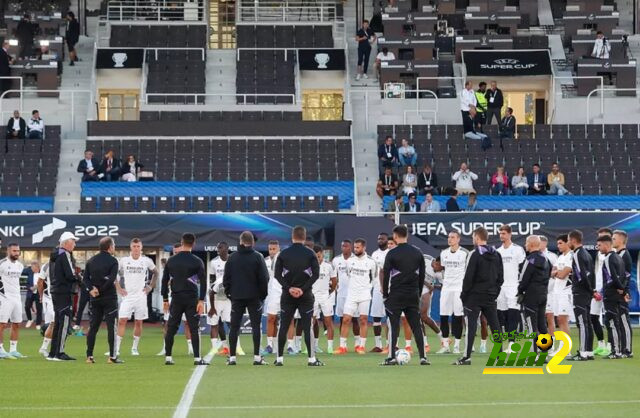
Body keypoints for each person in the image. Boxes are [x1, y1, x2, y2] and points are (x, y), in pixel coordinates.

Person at [381, 225, 430, 366]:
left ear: (395, 236)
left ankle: (391, 357)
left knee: (394, 326)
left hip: (396, 295)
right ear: (407, 236)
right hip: (413, 295)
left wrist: (385, 294)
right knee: (416, 326)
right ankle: (423, 358)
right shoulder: (417, 253)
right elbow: (421, 276)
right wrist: (418, 292)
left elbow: (386, 276)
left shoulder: (391, 253)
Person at [274, 225, 323, 366]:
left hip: (287, 296)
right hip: (305, 296)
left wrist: (289, 288)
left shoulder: (283, 253)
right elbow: (316, 274)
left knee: (283, 325)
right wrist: (303, 289)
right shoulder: (310, 254)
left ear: (292, 236)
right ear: (304, 237)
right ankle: (311, 359)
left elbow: (277, 275)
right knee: (308, 326)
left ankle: (279, 359)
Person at [454, 227, 502, 365]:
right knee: (495, 325)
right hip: (490, 295)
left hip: (474, 296)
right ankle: (499, 355)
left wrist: (464, 295)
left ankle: (467, 357)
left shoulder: (474, 254)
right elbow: (501, 277)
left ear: (476, 237)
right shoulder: (496, 254)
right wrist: (495, 292)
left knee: (471, 326)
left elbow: (469, 276)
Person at [223, 231, 270, 366]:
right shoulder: (258, 257)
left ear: (240, 241)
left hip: (237, 297)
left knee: (234, 326)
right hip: (254, 297)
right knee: (256, 327)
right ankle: (256, 357)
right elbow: (264, 278)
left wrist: (230, 294)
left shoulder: (232, 258)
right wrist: (262, 296)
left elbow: (226, 279)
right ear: (252, 242)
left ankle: (232, 357)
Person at [161, 233, 207, 366]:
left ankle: (168, 357)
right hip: (191, 299)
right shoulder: (197, 261)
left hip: (176, 298)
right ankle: (197, 358)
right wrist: (201, 300)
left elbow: (164, 281)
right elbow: (203, 282)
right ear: (193, 244)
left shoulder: (172, 260)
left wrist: (165, 299)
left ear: (181, 242)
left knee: (171, 328)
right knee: (194, 328)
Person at [115, 238, 157, 357]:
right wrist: (118, 288)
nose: (136, 249)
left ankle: (134, 348)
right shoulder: (124, 260)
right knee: (122, 320)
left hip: (141, 297)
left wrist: (150, 286)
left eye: (138, 246)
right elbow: (114, 273)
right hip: (127, 296)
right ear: (130, 247)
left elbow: (156, 272)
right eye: (134, 246)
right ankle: (117, 349)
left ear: (141, 247)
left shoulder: (146, 261)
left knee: (138, 322)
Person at [336, 238, 377, 355]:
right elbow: (349, 275)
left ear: (364, 248)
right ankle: (342, 346)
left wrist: (366, 288)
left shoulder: (371, 262)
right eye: (355, 247)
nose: (356, 249)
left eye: (358, 247)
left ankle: (361, 346)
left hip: (365, 295)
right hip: (351, 295)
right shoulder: (350, 261)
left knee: (363, 320)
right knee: (346, 319)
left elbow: (374, 279)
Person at [84, 237, 122, 364]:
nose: (115, 247)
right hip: (109, 298)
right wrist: (102, 289)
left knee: (93, 327)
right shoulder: (113, 261)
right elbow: (112, 279)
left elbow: (85, 279)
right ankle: (112, 357)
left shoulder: (91, 261)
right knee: (112, 327)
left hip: (95, 298)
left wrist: (91, 289)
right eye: (114, 245)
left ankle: (89, 356)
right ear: (110, 247)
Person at [48, 231, 81, 361]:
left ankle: (53, 353)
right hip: (64, 292)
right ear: (66, 243)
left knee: (58, 322)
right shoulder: (65, 254)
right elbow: (70, 275)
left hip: (55, 291)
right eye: (73, 241)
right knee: (65, 322)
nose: (75, 244)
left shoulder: (55, 255)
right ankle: (59, 353)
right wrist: (81, 280)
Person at [516, 236, 551, 353]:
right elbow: (548, 275)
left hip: (531, 296)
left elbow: (523, 279)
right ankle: (545, 353)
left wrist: (520, 292)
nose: (525, 245)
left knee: (532, 325)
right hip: (543, 294)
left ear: (531, 244)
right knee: (542, 325)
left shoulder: (530, 259)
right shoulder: (545, 258)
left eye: (526, 243)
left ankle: (534, 354)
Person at [437, 231, 469, 354]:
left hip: (459, 288)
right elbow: (444, 268)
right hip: (446, 288)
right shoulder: (444, 253)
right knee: (444, 316)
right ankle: (445, 345)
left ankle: (456, 345)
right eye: (449, 237)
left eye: (453, 237)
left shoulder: (464, 253)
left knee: (457, 316)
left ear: (458, 239)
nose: (450, 239)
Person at [496, 225, 526, 353]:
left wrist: (522, 287)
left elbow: (523, 268)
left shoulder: (518, 250)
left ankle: (512, 344)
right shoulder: (498, 251)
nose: (501, 235)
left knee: (512, 315)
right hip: (501, 288)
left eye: (503, 233)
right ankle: (501, 345)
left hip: (513, 286)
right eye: (500, 233)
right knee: (501, 316)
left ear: (509, 234)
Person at [568, 229, 596, 361]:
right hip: (587, 292)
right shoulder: (588, 254)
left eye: (568, 240)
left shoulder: (577, 254)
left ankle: (583, 352)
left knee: (582, 322)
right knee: (588, 322)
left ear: (573, 240)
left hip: (580, 292)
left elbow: (581, 275)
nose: (568, 243)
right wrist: (592, 290)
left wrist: (589, 290)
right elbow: (592, 274)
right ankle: (589, 351)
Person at [596, 235, 626, 359]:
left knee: (612, 323)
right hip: (616, 295)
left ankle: (616, 351)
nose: (598, 248)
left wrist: (622, 291)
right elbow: (623, 276)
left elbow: (612, 277)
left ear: (607, 245)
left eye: (600, 245)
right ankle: (617, 350)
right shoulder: (618, 257)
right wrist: (623, 291)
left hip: (611, 295)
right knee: (616, 322)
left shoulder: (608, 259)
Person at [208, 242, 238, 356]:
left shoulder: (234, 260)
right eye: (217, 248)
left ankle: (237, 347)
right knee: (216, 323)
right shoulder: (214, 262)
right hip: (216, 295)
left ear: (227, 248)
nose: (218, 250)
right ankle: (218, 348)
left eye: (220, 248)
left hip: (230, 296)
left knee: (231, 323)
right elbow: (211, 279)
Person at [0, 243, 25, 359]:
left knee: (16, 323)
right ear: (8, 251)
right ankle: (0, 350)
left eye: (18, 251)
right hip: (4, 297)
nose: (16, 253)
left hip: (17, 297)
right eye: (14, 251)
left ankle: (13, 350)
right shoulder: (2, 264)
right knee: (2, 324)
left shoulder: (20, 266)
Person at [550, 234, 574, 354]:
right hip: (557, 291)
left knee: (563, 319)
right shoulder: (560, 257)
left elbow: (562, 274)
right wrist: (557, 272)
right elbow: (552, 272)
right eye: (557, 243)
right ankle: (563, 347)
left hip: (566, 291)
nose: (558, 245)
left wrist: (557, 273)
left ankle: (566, 349)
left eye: (560, 243)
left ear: (567, 243)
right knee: (559, 320)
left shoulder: (571, 256)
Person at [312, 245, 337, 354]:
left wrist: (330, 291)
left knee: (328, 321)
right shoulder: (310, 266)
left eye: (319, 256)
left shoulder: (329, 266)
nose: (318, 258)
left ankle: (330, 347)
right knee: (312, 322)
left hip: (325, 296)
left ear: (322, 254)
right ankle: (313, 346)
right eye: (316, 256)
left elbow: (334, 281)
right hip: (312, 296)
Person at [612, 230, 633, 357]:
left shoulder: (625, 254)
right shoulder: (617, 254)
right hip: (617, 292)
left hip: (622, 292)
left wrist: (623, 290)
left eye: (614, 239)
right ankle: (621, 348)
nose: (612, 241)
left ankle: (628, 350)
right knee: (619, 320)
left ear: (621, 240)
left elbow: (627, 273)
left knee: (624, 320)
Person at [592, 228, 612, 355]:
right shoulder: (599, 253)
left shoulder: (613, 253)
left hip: (607, 290)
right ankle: (601, 344)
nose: (600, 239)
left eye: (604, 237)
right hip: (596, 290)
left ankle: (611, 347)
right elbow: (597, 271)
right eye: (599, 237)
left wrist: (604, 290)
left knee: (609, 319)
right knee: (593, 316)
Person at [370, 233, 390, 353]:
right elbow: (373, 272)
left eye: (382, 238)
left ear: (387, 240)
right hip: (377, 289)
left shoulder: (391, 252)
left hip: (390, 288)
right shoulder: (374, 254)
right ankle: (378, 345)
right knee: (376, 317)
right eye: (378, 238)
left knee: (390, 316)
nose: (379, 240)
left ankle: (390, 344)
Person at [332, 240, 356, 341]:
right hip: (341, 293)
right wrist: (335, 286)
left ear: (350, 247)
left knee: (355, 319)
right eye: (342, 246)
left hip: (354, 294)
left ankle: (358, 344)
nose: (344, 248)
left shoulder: (356, 259)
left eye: (346, 246)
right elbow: (333, 276)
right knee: (342, 319)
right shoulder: (336, 260)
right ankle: (342, 344)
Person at [422, 256, 446, 353]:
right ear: (436, 262)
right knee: (417, 318)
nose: (440, 270)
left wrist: (433, 287)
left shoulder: (441, 273)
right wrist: (429, 285)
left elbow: (442, 286)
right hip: (414, 288)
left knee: (423, 316)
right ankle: (425, 344)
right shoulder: (425, 259)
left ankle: (442, 338)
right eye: (440, 267)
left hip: (425, 291)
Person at [262, 240, 280, 355]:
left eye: (274, 249)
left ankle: (280, 345)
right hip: (269, 294)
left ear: (278, 249)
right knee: (270, 318)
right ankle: (269, 345)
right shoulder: (264, 261)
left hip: (281, 293)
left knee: (280, 320)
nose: (272, 251)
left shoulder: (282, 260)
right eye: (270, 249)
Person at [37, 261, 56, 356]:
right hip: (50, 298)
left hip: (56, 298)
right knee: (53, 323)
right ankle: (48, 349)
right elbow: (39, 281)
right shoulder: (47, 265)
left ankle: (45, 348)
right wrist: (41, 296)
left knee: (53, 323)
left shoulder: (68, 263)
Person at [22, 261, 42, 328]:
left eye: (33, 268)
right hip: (30, 293)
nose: (32, 269)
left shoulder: (42, 273)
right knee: (27, 306)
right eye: (31, 268)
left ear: (37, 267)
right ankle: (30, 319)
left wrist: (36, 286)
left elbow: (44, 283)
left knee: (39, 308)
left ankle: (38, 324)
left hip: (39, 293)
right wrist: (30, 287)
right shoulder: (29, 271)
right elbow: (26, 283)